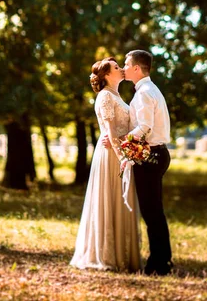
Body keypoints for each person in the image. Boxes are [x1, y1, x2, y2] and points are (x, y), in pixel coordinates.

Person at [70, 57, 141, 272]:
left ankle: (124, 255)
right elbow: (109, 131)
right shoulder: (105, 97)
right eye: (117, 67)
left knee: (121, 200)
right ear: (107, 75)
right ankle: (106, 255)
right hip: (111, 154)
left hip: (119, 150)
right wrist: (122, 157)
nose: (121, 69)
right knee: (110, 199)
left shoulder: (117, 96)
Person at [123, 49, 173, 276]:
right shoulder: (150, 89)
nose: (123, 67)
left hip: (150, 156)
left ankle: (159, 264)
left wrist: (122, 141)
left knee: (152, 212)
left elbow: (144, 127)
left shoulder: (144, 93)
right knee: (154, 211)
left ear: (136, 68)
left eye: (126, 63)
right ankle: (162, 260)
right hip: (157, 154)